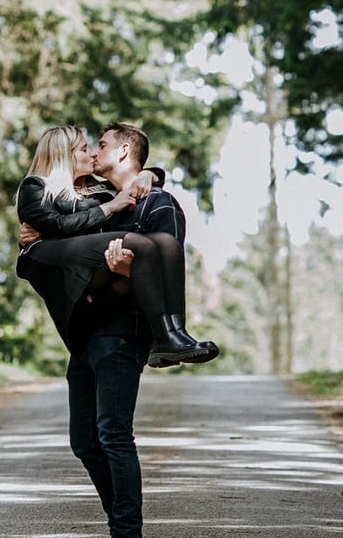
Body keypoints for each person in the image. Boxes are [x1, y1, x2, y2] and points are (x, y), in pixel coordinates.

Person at [16, 122, 218, 538]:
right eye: (87, 147)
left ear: (125, 150)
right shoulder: (95, 198)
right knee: (85, 441)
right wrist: (40, 243)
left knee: (112, 434)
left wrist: (128, 269)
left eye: (101, 144)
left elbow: (165, 260)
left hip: (122, 333)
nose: (93, 151)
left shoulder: (158, 203)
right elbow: (67, 236)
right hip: (86, 332)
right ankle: (124, 534)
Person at [15, 124, 217, 367]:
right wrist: (110, 207)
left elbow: (139, 176)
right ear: (64, 154)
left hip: (101, 283)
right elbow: (57, 224)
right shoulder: (38, 187)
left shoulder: (95, 191)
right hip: (66, 273)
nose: (92, 154)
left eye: (97, 147)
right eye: (84, 149)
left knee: (164, 243)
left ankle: (173, 333)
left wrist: (149, 174)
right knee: (138, 243)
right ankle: (164, 337)